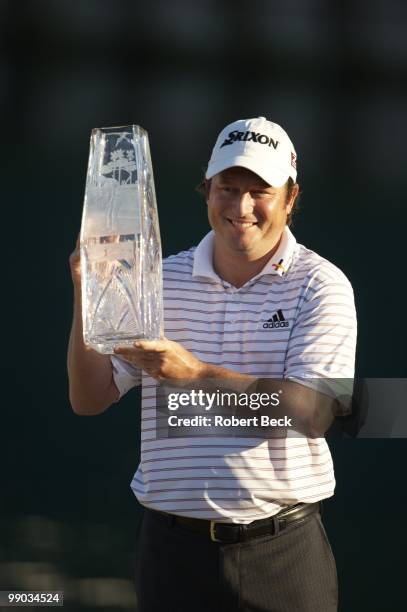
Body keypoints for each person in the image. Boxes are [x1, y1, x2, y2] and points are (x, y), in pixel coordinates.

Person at [68, 116, 357, 611]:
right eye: (228, 187)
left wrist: (194, 373)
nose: (241, 206)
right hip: (170, 552)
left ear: (290, 198)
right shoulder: (158, 279)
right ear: (206, 191)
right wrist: (84, 293)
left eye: (259, 190)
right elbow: (88, 398)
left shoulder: (321, 285)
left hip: (281, 555)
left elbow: (315, 413)